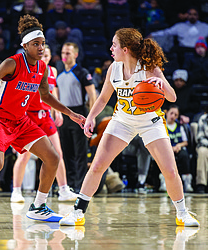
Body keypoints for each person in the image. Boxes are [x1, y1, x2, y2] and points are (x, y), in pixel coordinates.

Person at [0, 14, 85, 223]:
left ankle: (38, 206)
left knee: (53, 157)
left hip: (20, 120)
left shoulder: (42, 68)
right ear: (25, 45)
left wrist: (70, 113)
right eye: (36, 44)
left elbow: (46, 96)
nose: (41, 48)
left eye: (43, 44)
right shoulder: (11, 63)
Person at [59, 27, 200, 227]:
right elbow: (103, 98)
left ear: (125, 49)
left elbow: (172, 97)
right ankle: (78, 212)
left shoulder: (149, 68)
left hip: (150, 122)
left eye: (114, 45)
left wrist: (160, 83)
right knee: (98, 165)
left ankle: (182, 213)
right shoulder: (113, 68)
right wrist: (90, 117)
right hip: (122, 121)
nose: (110, 48)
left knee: (169, 170)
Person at [10, 44, 78, 203]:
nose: (44, 58)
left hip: (46, 116)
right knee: (24, 156)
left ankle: (63, 190)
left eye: (47, 56)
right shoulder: (29, 71)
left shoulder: (52, 71)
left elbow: (53, 92)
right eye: (43, 56)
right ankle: (16, 191)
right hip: (29, 117)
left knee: (58, 154)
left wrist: (58, 111)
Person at [56, 42, 96, 192]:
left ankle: (80, 186)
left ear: (75, 55)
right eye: (63, 53)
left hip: (79, 113)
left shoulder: (81, 72)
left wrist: (92, 116)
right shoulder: (58, 70)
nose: (64, 56)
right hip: (64, 113)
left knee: (80, 152)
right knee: (66, 152)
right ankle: (69, 184)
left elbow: (92, 95)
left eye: (68, 53)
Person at [164, 105, 193, 193]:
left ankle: (187, 182)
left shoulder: (180, 126)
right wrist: (170, 148)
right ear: (166, 113)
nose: (173, 116)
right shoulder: (162, 126)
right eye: (171, 113)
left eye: (176, 115)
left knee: (184, 155)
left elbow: (186, 142)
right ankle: (163, 181)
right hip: (166, 149)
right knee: (162, 156)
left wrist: (179, 145)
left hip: (178, 148)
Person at [195, 106, 208, 193]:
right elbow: (200, 137)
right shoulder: (203, 119)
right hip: (205, 145)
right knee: (202, 152)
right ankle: (201, 184)